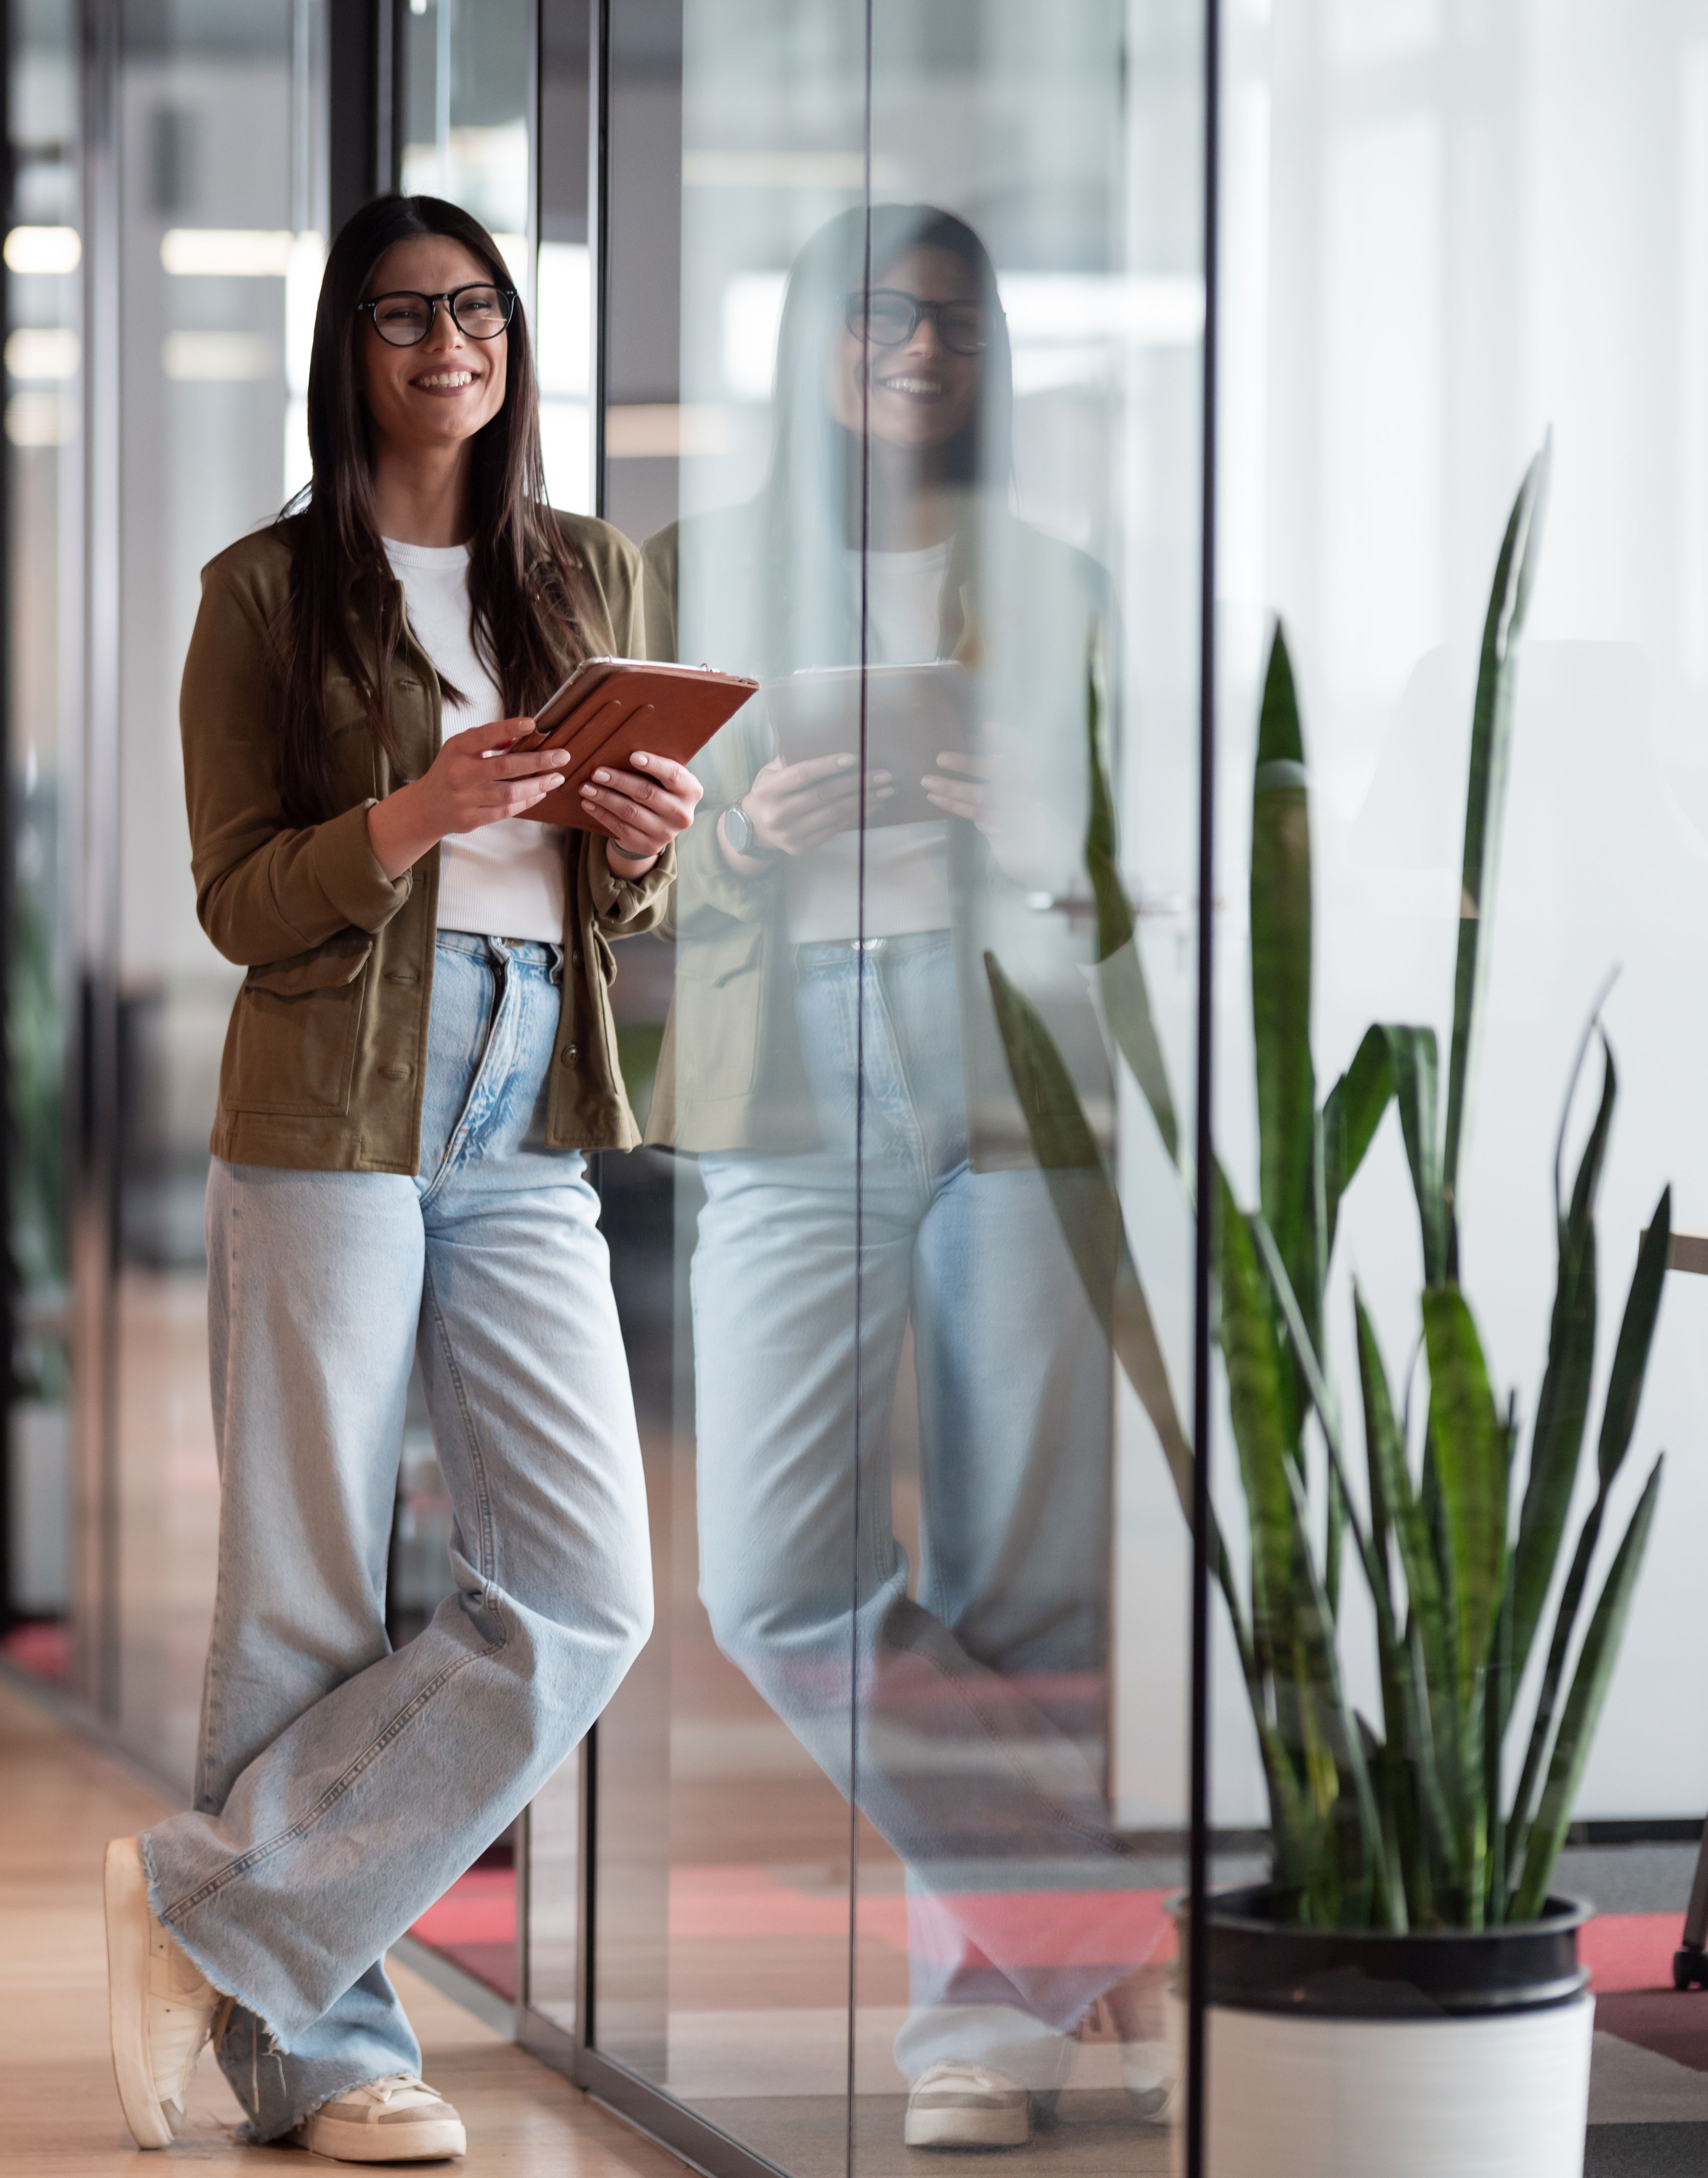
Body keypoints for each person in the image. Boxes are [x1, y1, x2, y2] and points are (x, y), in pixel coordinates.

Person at [101, 192, 698, 2164]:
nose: (451, 345)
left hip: (531, 1101)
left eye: (480, 310)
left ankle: (207, 1904)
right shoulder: (264, 594)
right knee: (306, 1589)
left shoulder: (587, 570)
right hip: (331, 1104)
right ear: (344, 352)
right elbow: (237, 899)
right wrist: (417, 813)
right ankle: (327, 2053)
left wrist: (644, 838)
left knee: (585, 1590)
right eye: (404, 316)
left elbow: (621, 899)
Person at [642, 203, 1169, 2151]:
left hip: (1017, 1064)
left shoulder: (1061, 583)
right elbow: (604, 872)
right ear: (813, 340)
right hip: (789, 1078)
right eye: (882, 314)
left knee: (1023, 1571)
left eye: (956, 321)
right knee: (776, 1582)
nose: (921, 347)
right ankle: (1112, 1927)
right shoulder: (690, 572)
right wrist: (737, 839)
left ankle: (985, 2030)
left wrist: (1048, 837)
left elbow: (1144, 866)